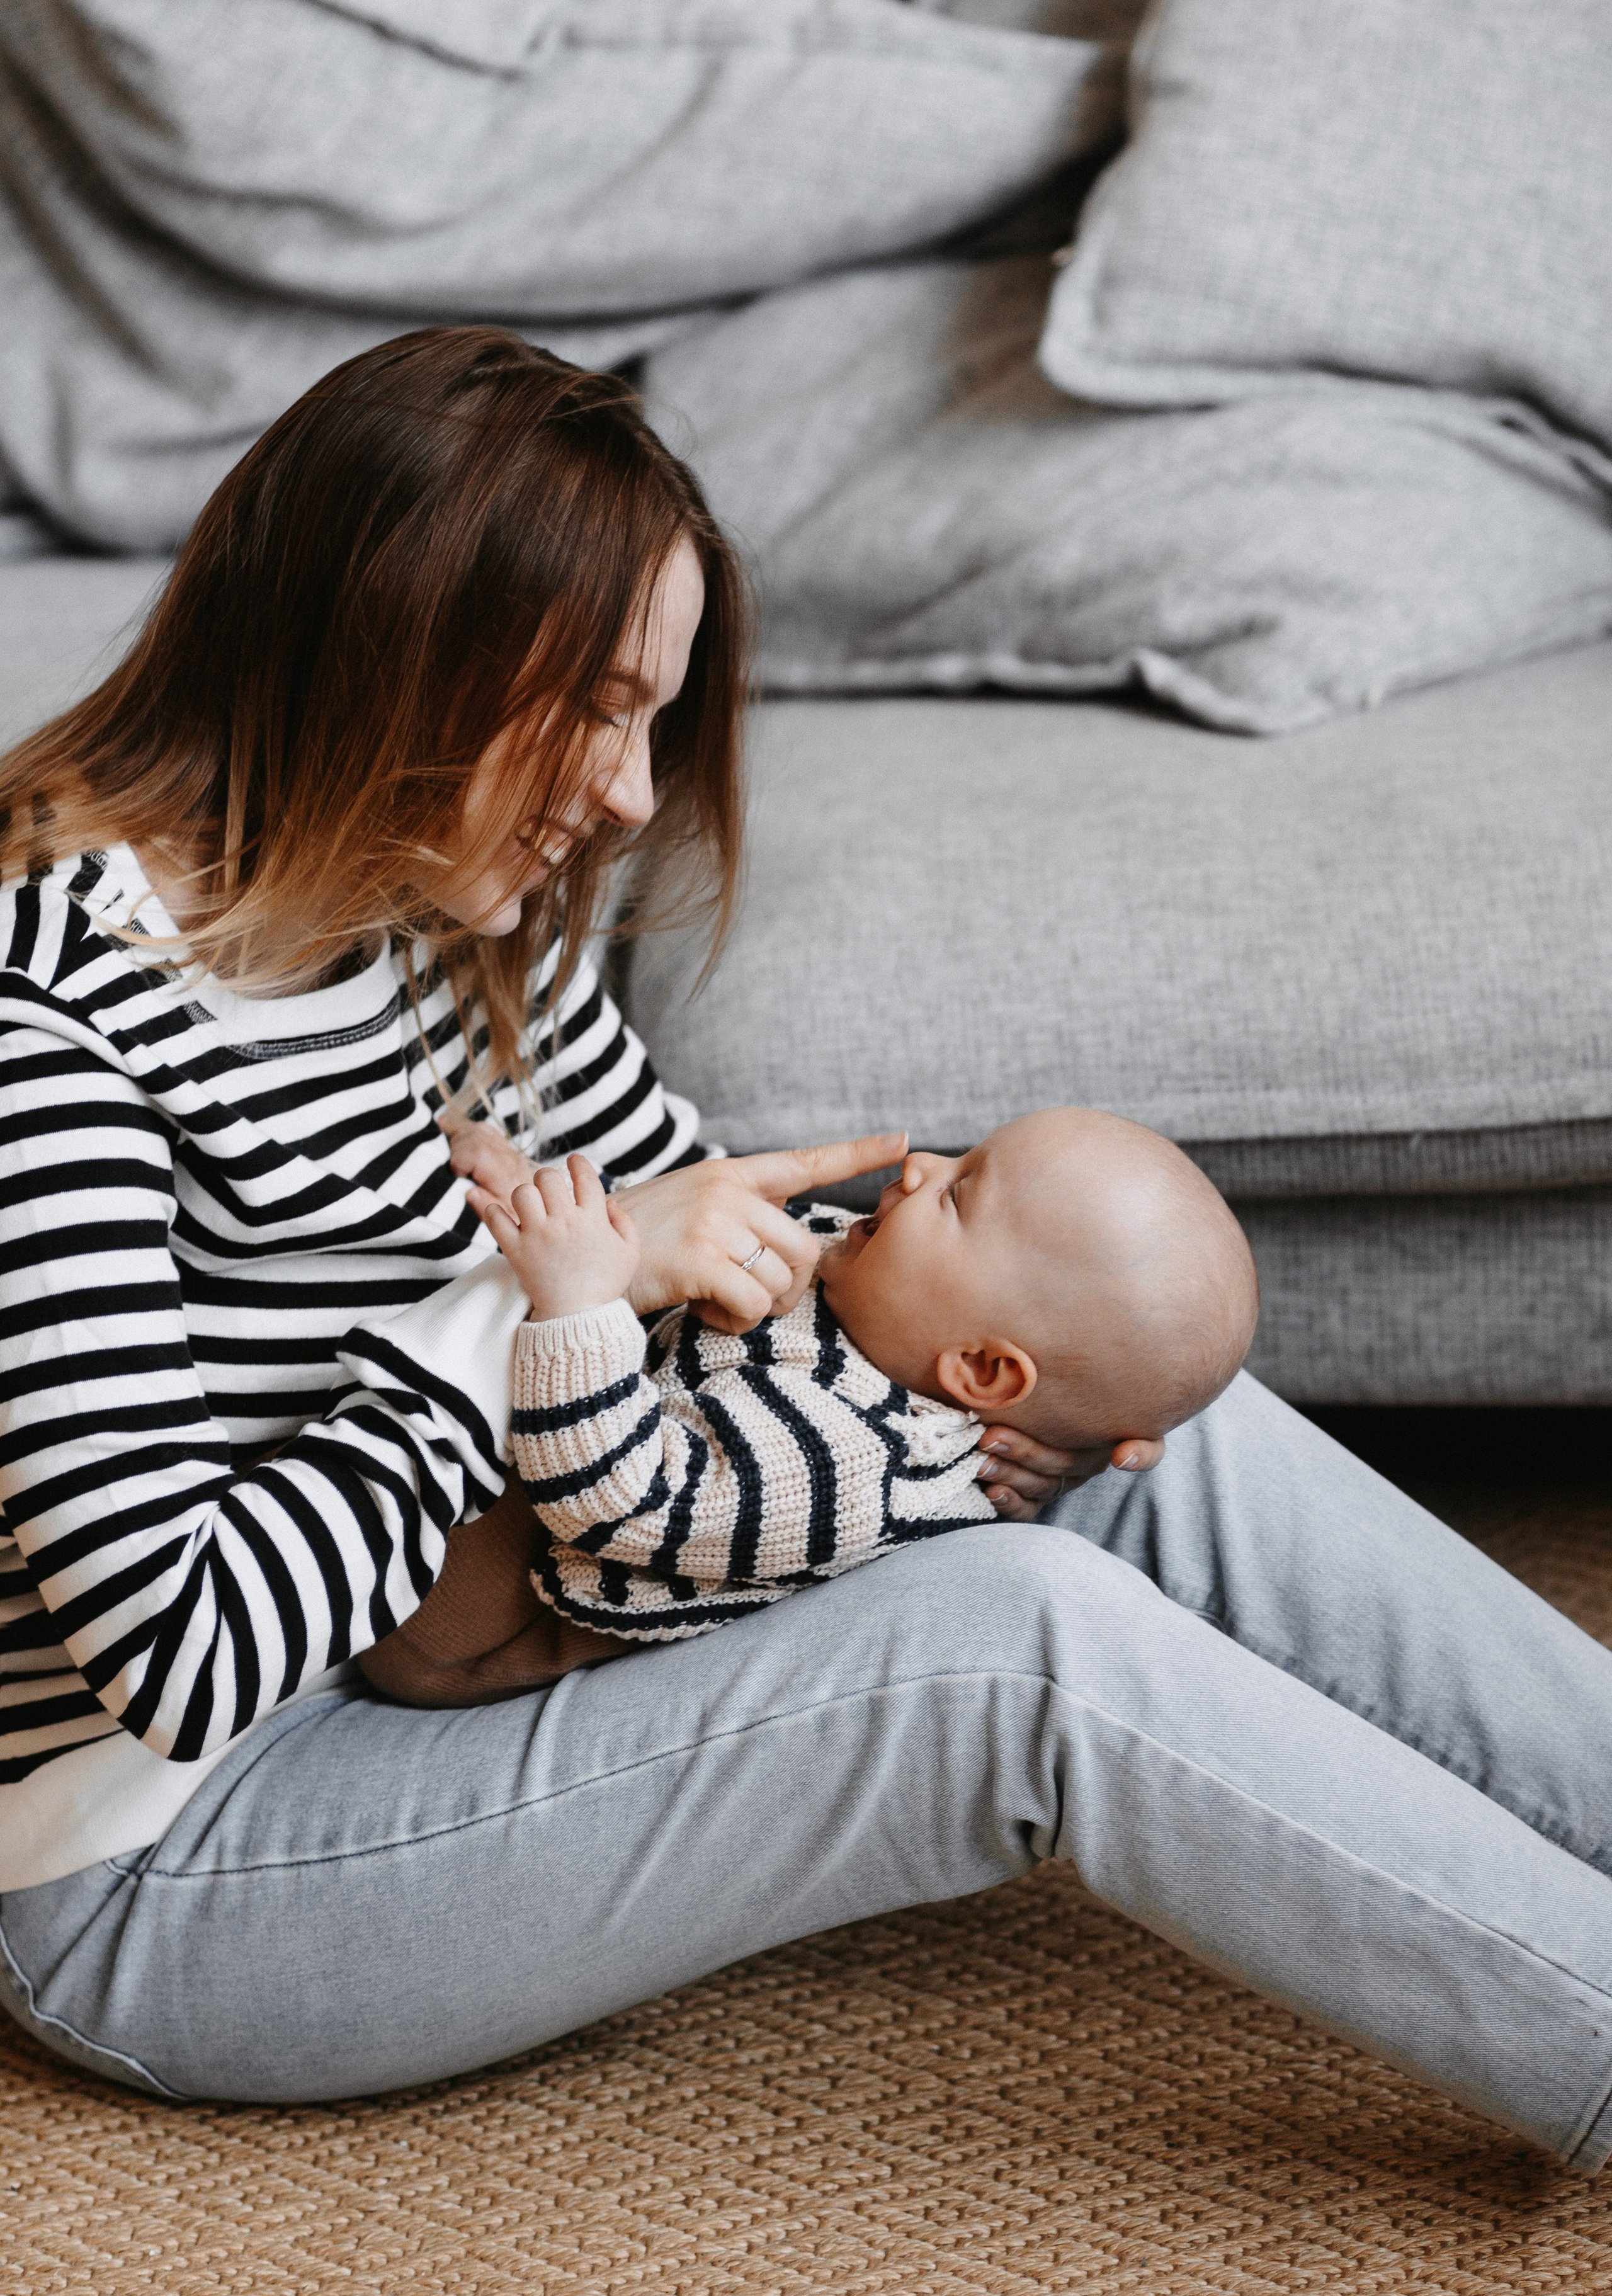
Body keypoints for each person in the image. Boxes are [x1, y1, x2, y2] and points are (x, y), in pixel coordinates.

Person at [3, 331, 1612, 2173]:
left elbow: (725, 1298)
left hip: (483, 1636)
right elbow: (182, 1656)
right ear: (393, 645)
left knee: (1128, 1381)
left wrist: (958, 1382)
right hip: (178, 1862)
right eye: (595, 708)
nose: (622, 793)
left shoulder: (452, 935)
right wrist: (532, 1314)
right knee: (1018, 1644)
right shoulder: (51, 1028)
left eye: (647, 721)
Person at [353, 1106, 1257, 1664]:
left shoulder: (845, 1460)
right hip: (605, 1417)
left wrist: (573, 1295)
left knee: (560, 1334)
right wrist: (551, 1204)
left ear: (980, 1371)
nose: (919, 1168)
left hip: (478, 1606)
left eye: (955, 1194)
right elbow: (673, 1254)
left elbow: (619, 1501)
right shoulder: (871, 1283)